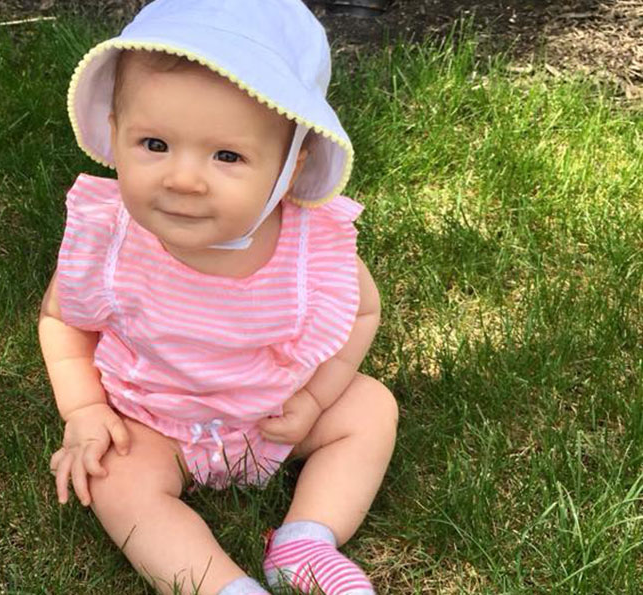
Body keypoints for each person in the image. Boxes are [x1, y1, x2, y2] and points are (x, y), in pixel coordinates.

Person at [38, 1, 398, 593]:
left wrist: (315, 398)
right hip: (153, 420)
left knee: (370, 409)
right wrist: (84, 411)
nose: (182, 178)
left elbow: (362, 311)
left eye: (227, 156)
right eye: (153, 144)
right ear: (115, 130)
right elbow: (61, 321)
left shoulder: (310, 248)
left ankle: (306, 540)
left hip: (272, 415)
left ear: (290, 165)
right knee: (116, 481)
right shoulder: (111, 241)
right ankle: (220, 586)